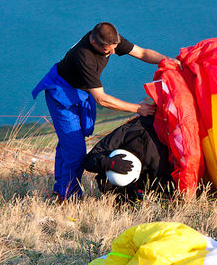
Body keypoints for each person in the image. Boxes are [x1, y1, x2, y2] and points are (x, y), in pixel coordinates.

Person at [31, 22, 174, 201]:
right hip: (61, 93)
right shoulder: (85, 57)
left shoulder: (109, 38)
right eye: (108, 50)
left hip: (80, 90)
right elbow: (101, 99)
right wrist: (138, 108)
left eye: (114, 48)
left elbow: (142, 53)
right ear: (94, 42)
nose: (112, 52)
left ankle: (60, 188)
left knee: (69, 143)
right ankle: (68, 198)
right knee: (75, 150)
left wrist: (168, 61)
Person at [83, 115, 173, 201]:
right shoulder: (125, 132)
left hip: (155, 183)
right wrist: (107, 163)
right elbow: (90, 159)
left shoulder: (158, 158)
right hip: (137, 188)